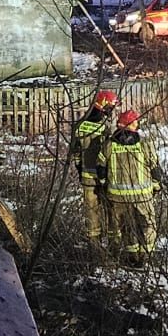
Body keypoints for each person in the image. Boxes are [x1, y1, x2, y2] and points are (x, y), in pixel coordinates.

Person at [103, 108, 165, 261]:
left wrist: (105, 187)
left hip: (118, 198)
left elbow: (100, 169)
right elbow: (156, 168)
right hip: (143, 196)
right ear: (132, 124)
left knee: (127, 227)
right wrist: (156, 186)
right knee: (147, 225)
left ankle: (132, 257)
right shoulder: (144, 144)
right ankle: (145, 256)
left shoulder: (109, 145)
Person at [72, 88, 118, 246]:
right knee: (112, 212)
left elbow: (75, 152)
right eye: (111, 106)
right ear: (104, 104)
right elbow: (111, 151)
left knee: (91, 214)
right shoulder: (105, 126)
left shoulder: (80, 124)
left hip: (87, 177)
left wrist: (80, 168)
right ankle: (113, 247)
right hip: (105, 177)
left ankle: (95, 249)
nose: (112, 110)